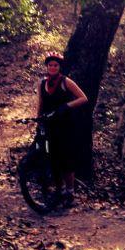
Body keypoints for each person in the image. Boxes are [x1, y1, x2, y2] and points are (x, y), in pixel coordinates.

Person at [36, 51, 88, 207]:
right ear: (47, 66)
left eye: (55, 65)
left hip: (65, 126)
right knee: (53, 160)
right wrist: (38, 120)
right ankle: (59, 191)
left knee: (66, 160)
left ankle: (70, 193)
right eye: (50, 65)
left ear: (59, 67)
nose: (52, 67)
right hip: (49, 125)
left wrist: (66, 106)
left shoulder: (66, 82)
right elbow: (40, 103)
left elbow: (83, 98)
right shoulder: (42, 83)